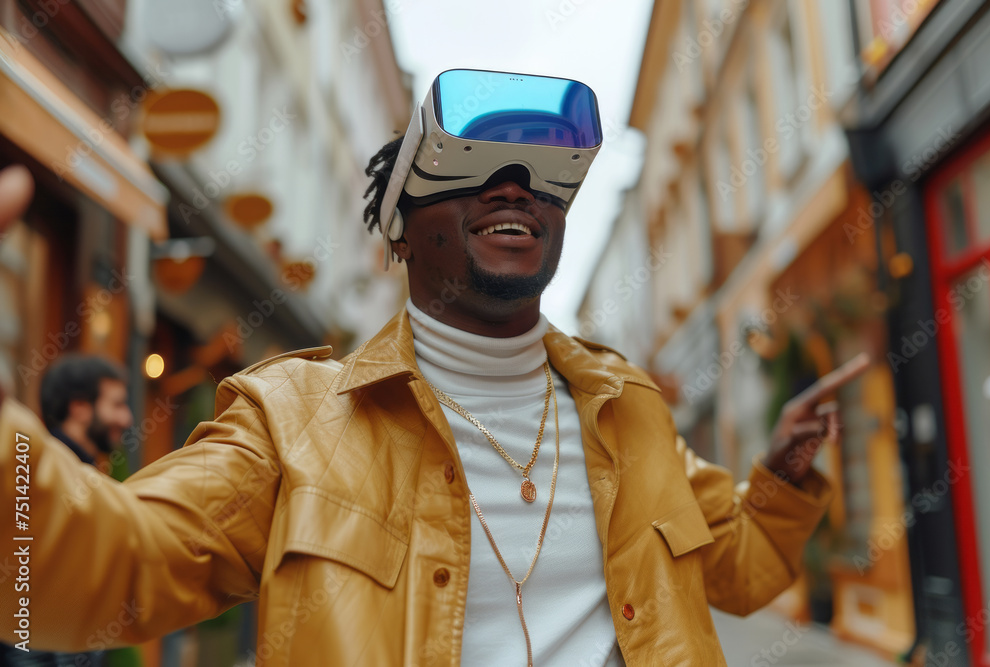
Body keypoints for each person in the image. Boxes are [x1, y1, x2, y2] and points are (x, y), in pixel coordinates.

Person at [0, 71, 860, 666]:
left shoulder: (628, 407)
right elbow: (91, 568)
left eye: (541, 178)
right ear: (402, 231)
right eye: (471, 170)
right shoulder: (293, 421)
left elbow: (740, 572)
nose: (515, 185)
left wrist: (782, 475)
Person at [1, 354, 135, 667]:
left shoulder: (78, 479)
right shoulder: (42, 483)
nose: (127, 419)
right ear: (79, 407)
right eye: (116, 404)